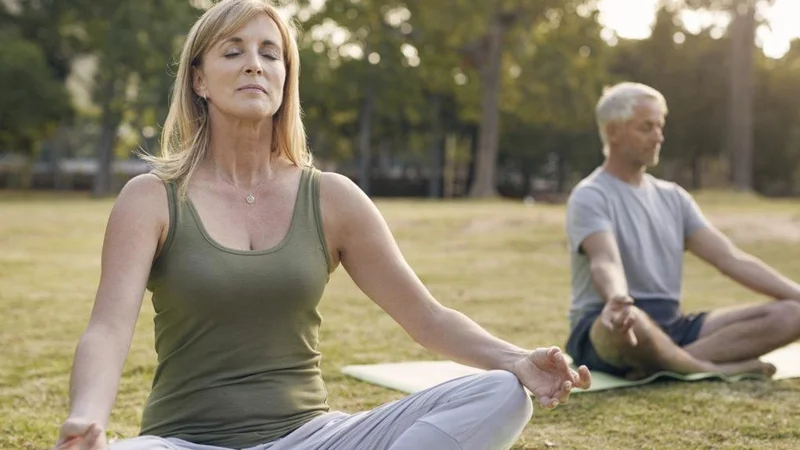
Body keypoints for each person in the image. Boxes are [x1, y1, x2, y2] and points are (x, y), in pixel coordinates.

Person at [52, 1, 591, 449]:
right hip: (186, 441)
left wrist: (516, 360)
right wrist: (89, 417)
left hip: (311, 437)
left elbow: (426, 318)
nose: (254, 65)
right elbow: (108, 329)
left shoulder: (331, 197)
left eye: (270, 53)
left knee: (498, 394)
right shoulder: (150, 198)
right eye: (232, 51)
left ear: (286, 78)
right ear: (198, 79)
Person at [564, 81, 800, 380]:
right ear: (613, 131)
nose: (658, 137)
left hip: (673, 326)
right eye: (646, 127)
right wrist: (617, 299)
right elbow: (605, 260)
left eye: (660, 127)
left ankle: (664, 364)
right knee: (633, 321)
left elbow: (730, 259)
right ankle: (707, 367)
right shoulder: (590, 194)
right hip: (611, 321)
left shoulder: (674, 197)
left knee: (792, 313)